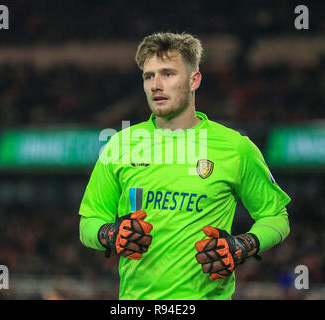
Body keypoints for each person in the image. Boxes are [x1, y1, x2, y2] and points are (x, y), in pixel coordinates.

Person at [78, 32, 291, 300]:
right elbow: (88, 223)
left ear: (194, 80)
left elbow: (276, 217)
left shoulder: (236, 148)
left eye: (168, 74)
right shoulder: (120, 145)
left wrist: (242, 245)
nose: (156, 85)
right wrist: (109, 234)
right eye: (148, 76)